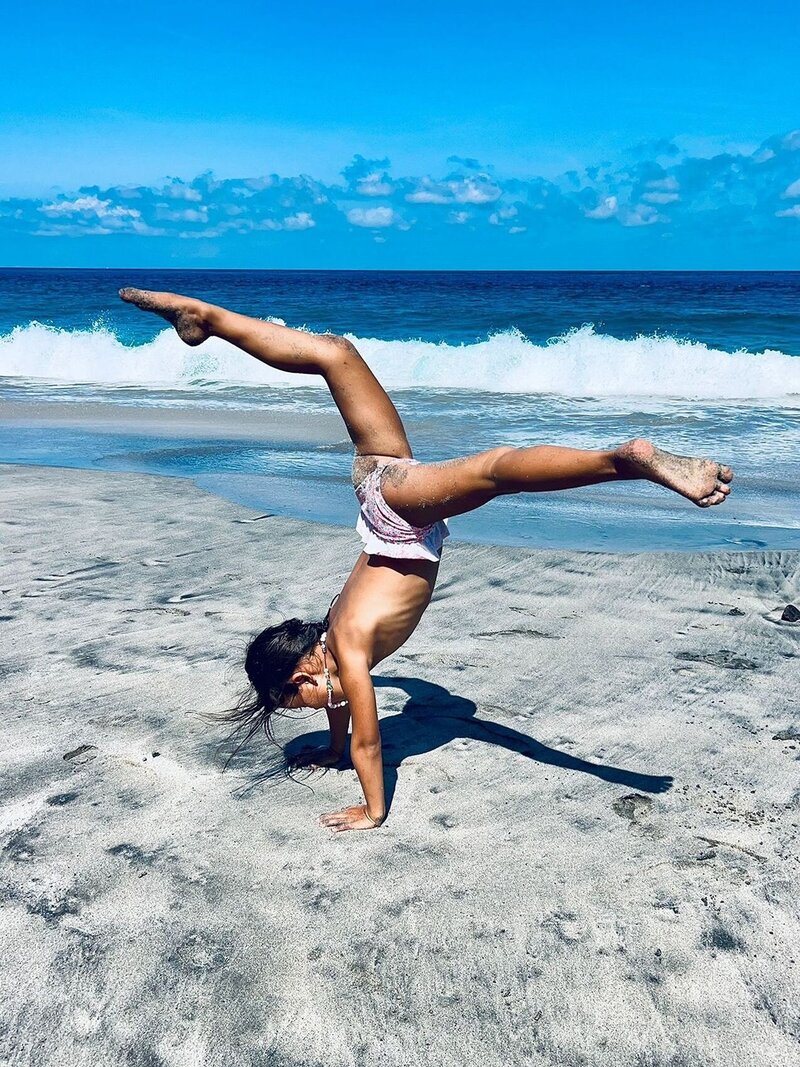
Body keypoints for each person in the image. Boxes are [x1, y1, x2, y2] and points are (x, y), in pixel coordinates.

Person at [120, 288, 734, 833]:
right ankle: (209, 318)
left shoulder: (351, 647)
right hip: (380, 484)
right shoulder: (334, 641)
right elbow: (338, 711)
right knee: (335, 354)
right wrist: (331, 746)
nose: (311, 704)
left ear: (303, 675)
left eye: (293, 703)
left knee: (494, 472)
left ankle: (623, 460)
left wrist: (372, 807)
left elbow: (367, 737)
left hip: (398, 510)